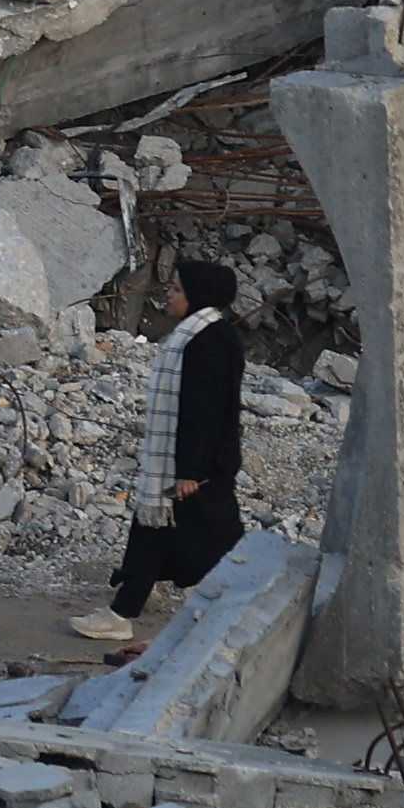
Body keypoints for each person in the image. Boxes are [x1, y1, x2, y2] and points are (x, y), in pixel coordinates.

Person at [80, 258, 251, 647]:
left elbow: (202, 411)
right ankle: (122, 611)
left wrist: (190, 470)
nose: (168, 296)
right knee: (152, 532)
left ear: (197, 296)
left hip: (201, 467)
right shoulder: (197, 335)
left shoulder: (207, 342)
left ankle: (245, 603)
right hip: (188, 463)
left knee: (217, 543)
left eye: (175, 289)